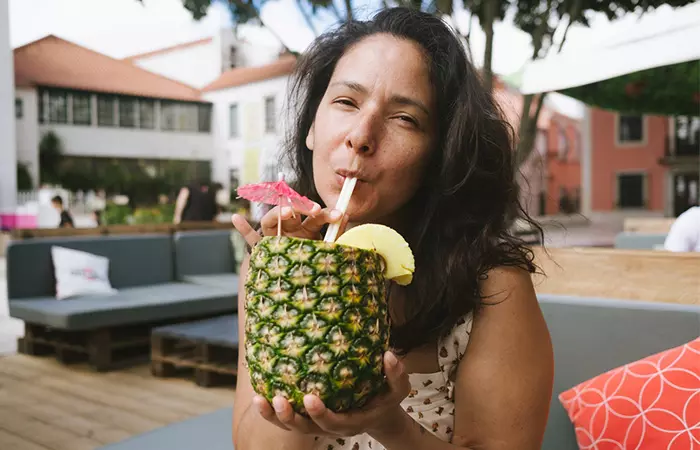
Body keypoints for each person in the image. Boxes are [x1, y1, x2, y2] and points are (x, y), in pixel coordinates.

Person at [231, 7, 553, 450]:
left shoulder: (494, 286)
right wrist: (289, 294)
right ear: (310, 128)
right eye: (346, 102)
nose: (361, 135)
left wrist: (390, 425)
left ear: (439, 154)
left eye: (404, 118)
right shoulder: (271, 262)